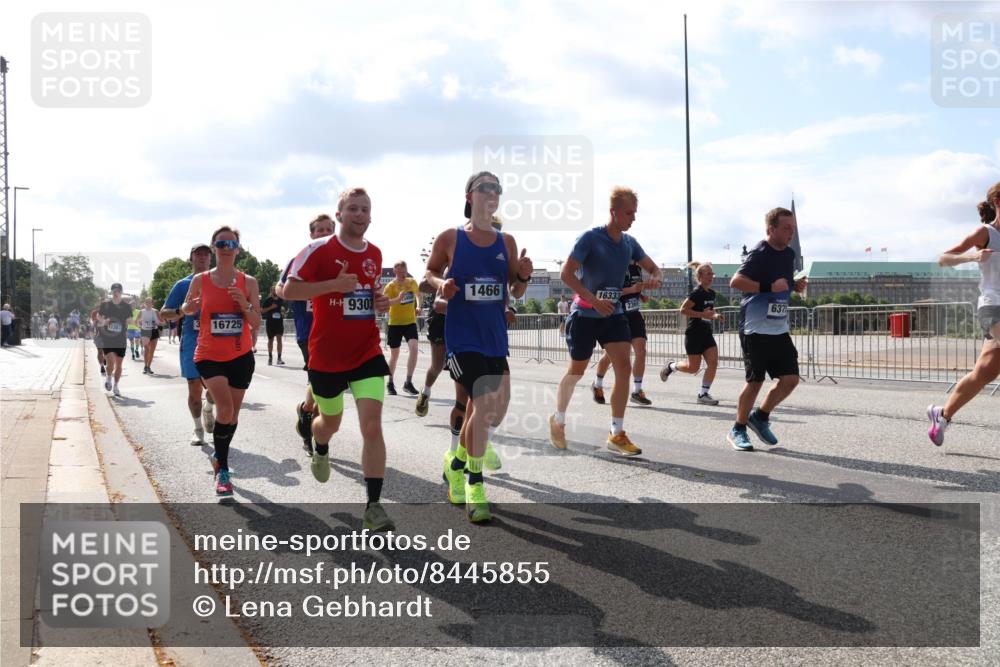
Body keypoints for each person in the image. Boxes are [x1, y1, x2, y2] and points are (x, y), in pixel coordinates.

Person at [283, 188, 395, 531]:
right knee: (329, 423)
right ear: (340, 214)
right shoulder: (319, 249)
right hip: (327, 356)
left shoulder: (374, 253)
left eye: (365, 209)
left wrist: (379, 301)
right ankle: (320, 444)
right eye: (353, 208)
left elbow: (367, 293)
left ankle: (373, 507)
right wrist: (333, 284)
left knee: (372, 426)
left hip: (366, 352)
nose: (359, 214)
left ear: (370, 217)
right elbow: (289, 291)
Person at [426, 171, 533, 523]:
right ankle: (475, 482)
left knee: (494, 410)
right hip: (461, 337)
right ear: (469, 196)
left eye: (497, 188)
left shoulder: (507, 242)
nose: (491, 192)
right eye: (484, 187)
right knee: (483, 403)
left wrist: (524, 277)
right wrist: (442, 284)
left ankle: (455, 463)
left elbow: (514, 292)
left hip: (494, 337)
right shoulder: (451, 237)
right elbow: (429, 273)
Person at [549, 186, 663, 456]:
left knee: (623, 367)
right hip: (585, 315)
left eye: (634, 213)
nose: (632, 218)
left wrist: (657, 276)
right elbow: (566, 274)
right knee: (576, 372)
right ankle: (558, 419)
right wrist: (592, 298)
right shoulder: (590, 238)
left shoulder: (629, 243)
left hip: (613, 315)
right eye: (628, 213)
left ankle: (616, 433)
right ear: (613, 212)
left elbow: (653, 266)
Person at [182, 227, 262, 495]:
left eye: (231, 242)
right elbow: (186, 308)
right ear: (214, 247)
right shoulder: (201, 280)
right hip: (209, 355)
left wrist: (244, 304)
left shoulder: (248, 282)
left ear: (238, 248)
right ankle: (223, 470)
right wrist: (188, 309)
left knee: (232, 415)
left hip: (240, 355)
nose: (225, 246)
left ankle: (220, 454)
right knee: (225, 409)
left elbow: (256, 322)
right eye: (220, 243)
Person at [727, 207, 808, 452]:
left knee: (790, 379)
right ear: (771, 230)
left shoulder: (789, 254)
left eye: (793, 228)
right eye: (786, 228)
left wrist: (793, 285)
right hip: (755, 328)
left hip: (778, 327)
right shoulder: (759, 252)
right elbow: (736, 282)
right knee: (755, 381)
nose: (791, 232)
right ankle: (738, 429)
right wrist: (769, 287)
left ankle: (760, 417)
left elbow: (780, 282)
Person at [928, 182, 1000, 446]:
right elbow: (943, 258)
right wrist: (973, 257)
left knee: (984, 373)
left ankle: (943, 414)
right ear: (998, 202)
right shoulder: (985, 232)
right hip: (993, 304)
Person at [276, 213, 336, 454]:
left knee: (328, 386)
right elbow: (280, 290)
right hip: (309, 333)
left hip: (338, 332)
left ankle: (307, 410)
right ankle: (316, 434)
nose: (324, 233)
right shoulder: (300, 259)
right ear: (311, 235)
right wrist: (312, 292)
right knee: (323, 384)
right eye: (319, 230)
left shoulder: (342, 261)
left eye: (328, 229)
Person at [161, 243, 217, 446]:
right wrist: (182, 311)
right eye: (198, 254)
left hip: (217, 343)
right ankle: (197, 429)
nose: (202, 257)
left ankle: (209, 407)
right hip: (192, 342)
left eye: (206, 254)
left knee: (216, 388)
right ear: (191, 258)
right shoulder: (182, 285)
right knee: (194, 388)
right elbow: (164, 313)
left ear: (211, 258)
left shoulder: (221, 281)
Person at [659, 261, 724, 405]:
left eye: (712, 274)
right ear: (700, 277)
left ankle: (703, 394)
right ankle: (671, 366)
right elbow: (683, 310)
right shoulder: (697, 293)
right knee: (693, 368)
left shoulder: (711, 293)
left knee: (713, 363)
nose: (711, 276)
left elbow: (708, 311)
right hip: (694, 334)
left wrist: (715, 315)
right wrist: (702, 314)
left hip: (706, 333)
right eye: (708, 274)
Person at [591, 260, 653, 406]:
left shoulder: (636, 268)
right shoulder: (616, 267)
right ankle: (597, 384)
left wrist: (640, 295)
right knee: (610, 356)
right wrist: (632, 290)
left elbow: (634, 287)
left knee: (641, 352)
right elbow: (608, 292)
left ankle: (637, 391)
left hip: (634, 315)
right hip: (618, 315)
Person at [382, 261, 421, 395]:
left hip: (410, 322)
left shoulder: (411, 282)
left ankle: (408, 382)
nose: (402, 274)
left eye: (404, 272)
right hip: (395, 324)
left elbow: (418, 295)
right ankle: (390, 382)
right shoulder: (390, 286)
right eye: (399, 272)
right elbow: (386, 303)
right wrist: (397, 300)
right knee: (395, 355)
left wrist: (418, 306)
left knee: (414, 348)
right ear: (395, 272)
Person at [96, 284, 134, 396]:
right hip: (108, 338)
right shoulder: (105, 305)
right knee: (110, 364)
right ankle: (108, 378)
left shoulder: (126, 307)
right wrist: (103, 320)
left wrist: (132, 321)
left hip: (121, 338)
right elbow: (98, 315)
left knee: (119, 365)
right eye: (114, 291)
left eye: (118, 291)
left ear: (121, 292)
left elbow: (129, 319)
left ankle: (116, 386)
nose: (116, 293)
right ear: (111, 292)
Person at [261, 286, 286, 366]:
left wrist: (283, 311)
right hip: (270, 323)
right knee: (270, 340)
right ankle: (270, 357)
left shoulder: (280, 299)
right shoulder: (268, 300)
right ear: (271, 291)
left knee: (279, 339)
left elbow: (283, 308)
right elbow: (262, 310)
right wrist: (271, 307)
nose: (275, 291)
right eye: (274, 290)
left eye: (276, 290)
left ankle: (279, 358)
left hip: (279, 322)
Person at [138, 298, 162, 374]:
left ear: (152, 303)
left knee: (152, 351)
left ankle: (148, 366)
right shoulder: (142, 312)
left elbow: (163, 322)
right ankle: (145, 366)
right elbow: (136, 321)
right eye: (147, 302)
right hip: (145, 331)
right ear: (144, 303)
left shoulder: (156, 311)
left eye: (150, 302)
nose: (148, 304)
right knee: (146, 349)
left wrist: (158, 323)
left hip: (154, 331)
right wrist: (140, 326)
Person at [90, 309, 106, 375]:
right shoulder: (95, 322)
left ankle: (103, 363)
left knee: (102, 352)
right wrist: (93, 338)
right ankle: (102, 365)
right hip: (100, 338)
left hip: (104, 338)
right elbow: (91, 331)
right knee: (101, 352)